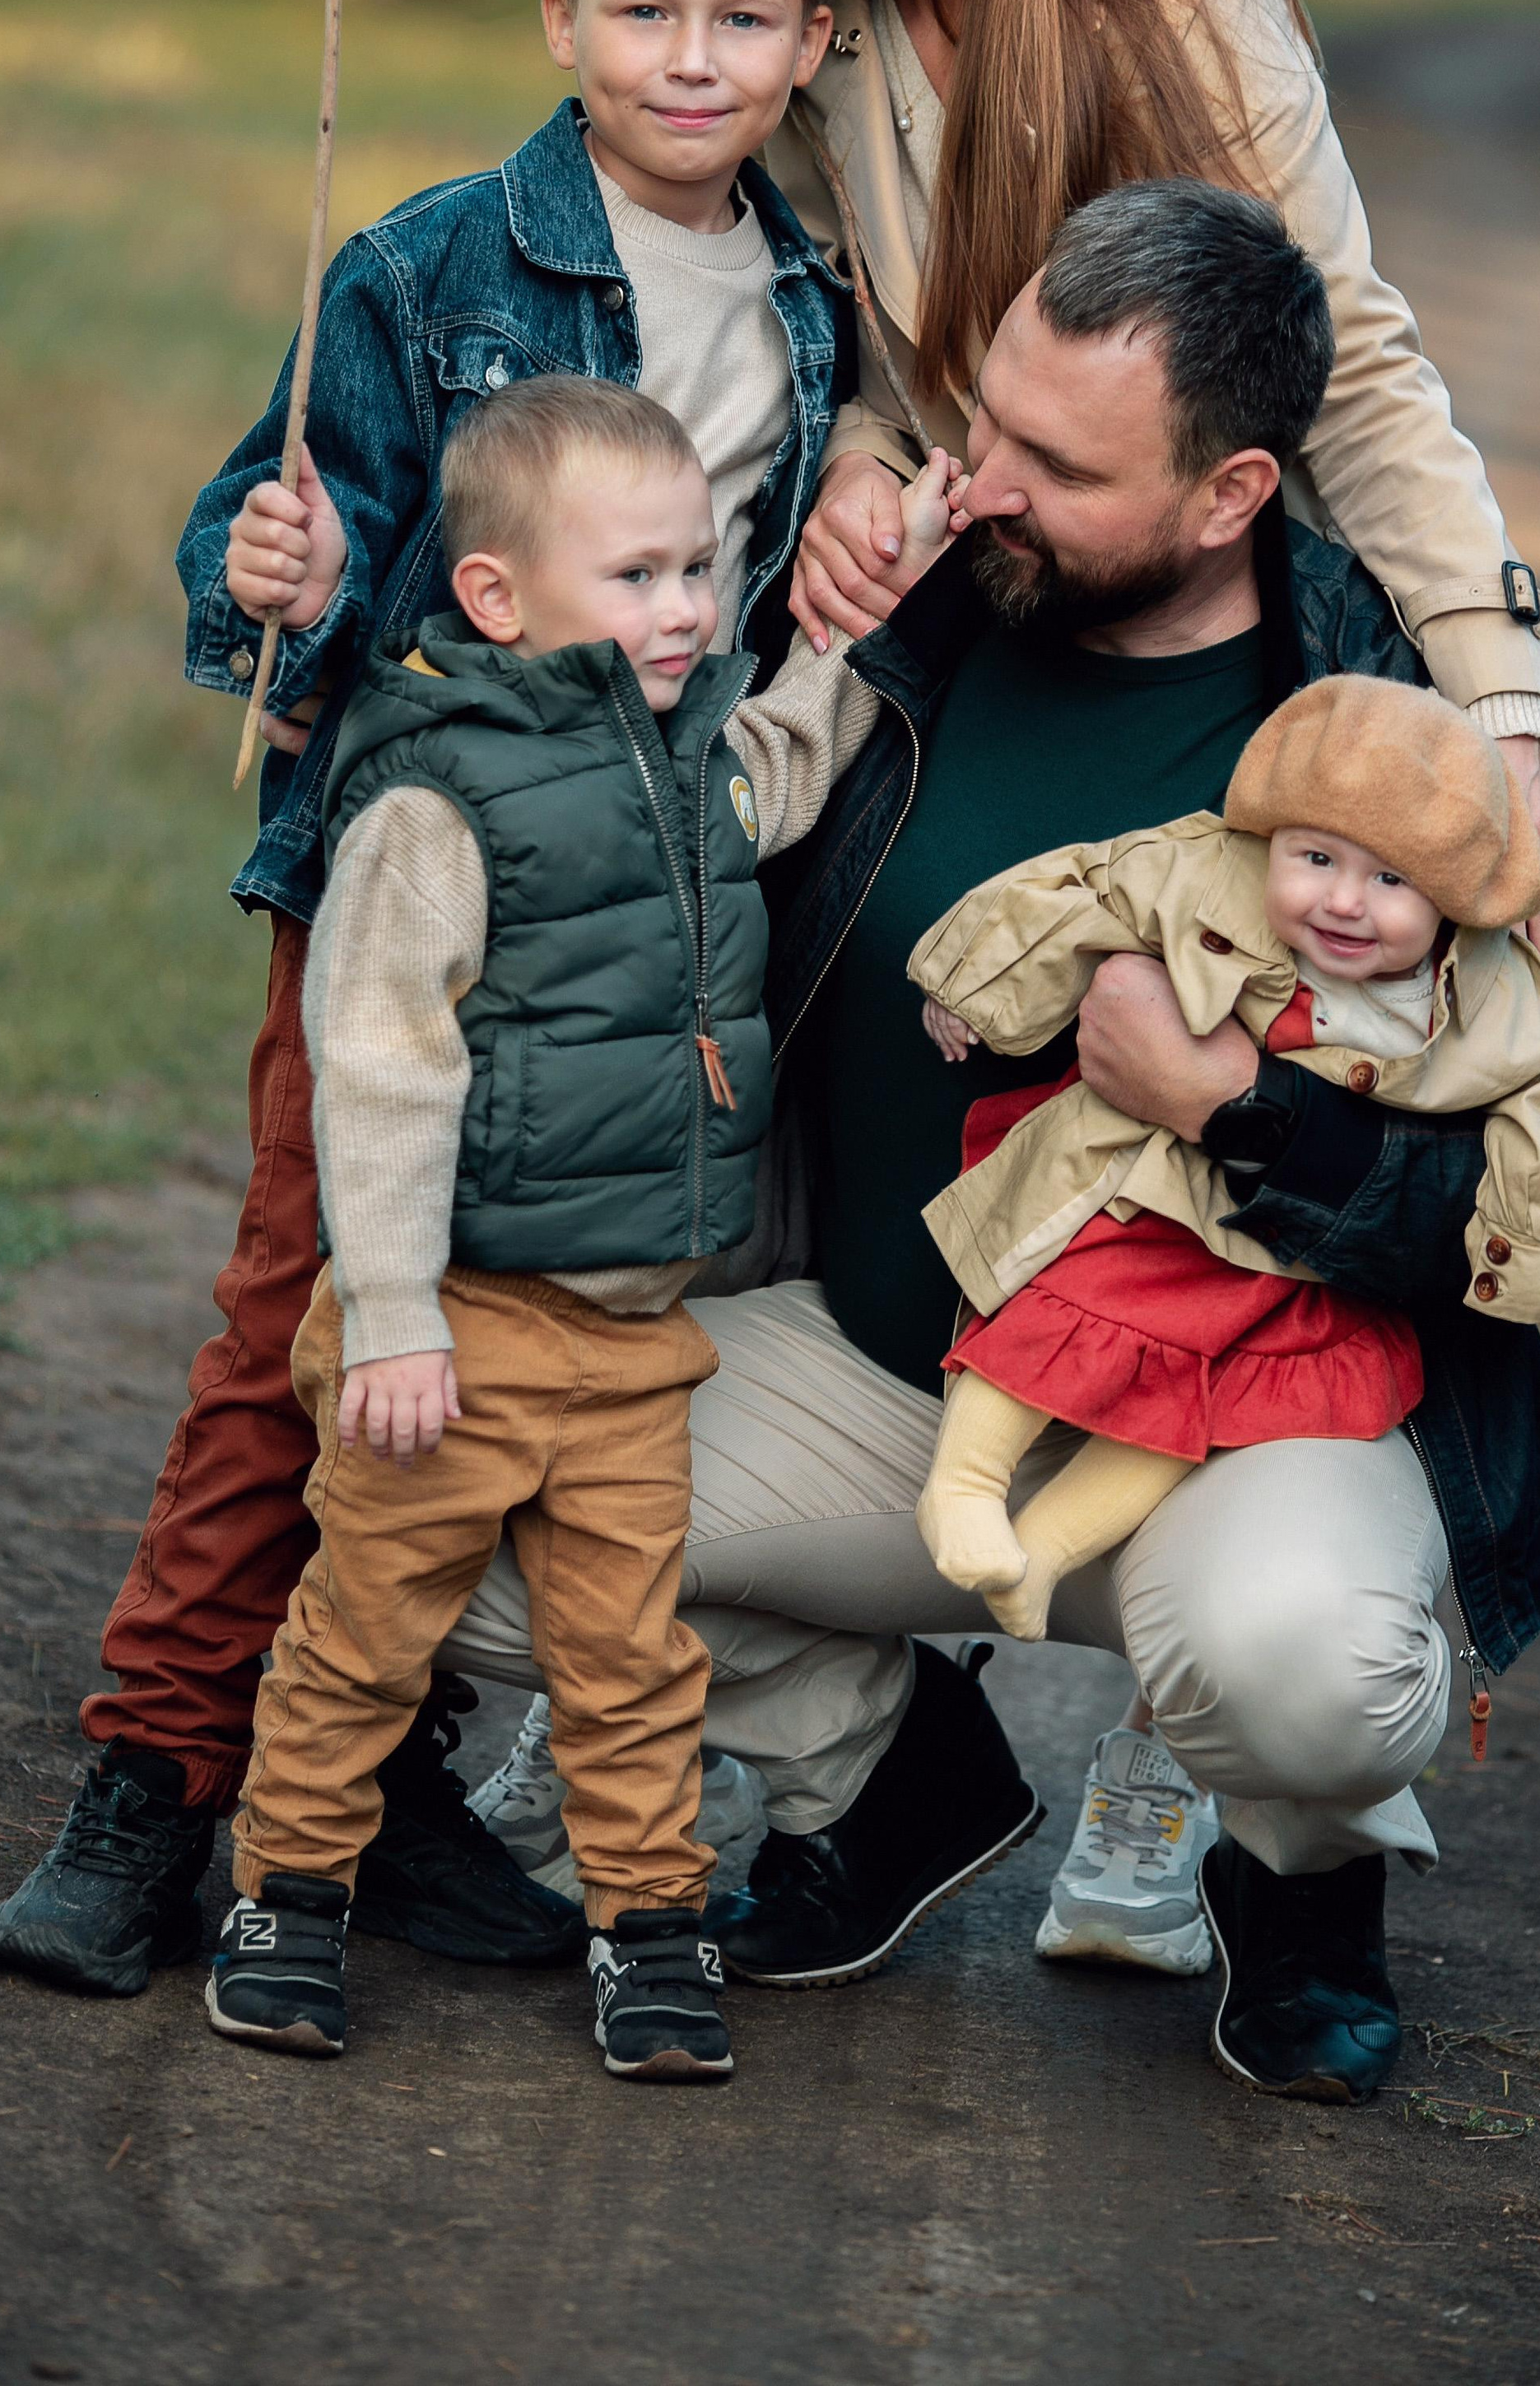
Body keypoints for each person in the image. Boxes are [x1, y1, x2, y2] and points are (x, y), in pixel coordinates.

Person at [661, 0, 1540, 1957]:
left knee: (1315, 1098)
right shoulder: (786, 18)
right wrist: (829, 474)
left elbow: (1351, 365)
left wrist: (1499, 706)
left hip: (1243, 597)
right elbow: (779, 327)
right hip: (975, 580)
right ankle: (899, 1715)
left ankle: (1234, 1729)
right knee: (916, 1081)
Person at [435, 178, 1540, 2104]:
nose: (978, 481)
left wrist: (1233, 1105)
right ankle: (891, 1769)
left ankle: (1297, 1878)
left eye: (1053, 463)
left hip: (1243, 1423)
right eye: (977, 421)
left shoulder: (1393, 736)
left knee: (1304, 1674)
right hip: (890, 1371)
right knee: (453, 1488)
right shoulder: (897, 606)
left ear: (1228, 491)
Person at [0, 0, 880, 1999]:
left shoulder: (810, 311)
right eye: (645, 12)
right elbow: (262, 532)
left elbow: (762, 611)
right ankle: (157, 1778)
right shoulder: (435, 261)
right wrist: (262, 579)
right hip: (422, 867)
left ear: (811, 44)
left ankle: (376, 1771)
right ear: (562, 20)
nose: (690, 57)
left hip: (647, 909)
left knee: (543, 1336)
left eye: (740, 19)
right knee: (310, 1316)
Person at [204, 376, 956, 2077]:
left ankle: (650, 1925)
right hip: (456, 1323)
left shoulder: (679, 752)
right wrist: (389, 1310)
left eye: (699, 569)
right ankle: (286, 1894)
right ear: (498, 598)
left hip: (629, 1337)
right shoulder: (431, 804)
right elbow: (381, 1066)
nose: (686, 608)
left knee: (625, 1658)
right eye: (636, 577)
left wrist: (871, 614)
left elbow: (776, 766)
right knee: (365, 1629)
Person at [910, 667, 1540, 1644]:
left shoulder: (1514, 1002)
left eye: (1391, 880)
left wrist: (1520, 1255)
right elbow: (1087, 890)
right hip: (1158, 1193)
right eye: (1316, 858)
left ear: (1456, 897)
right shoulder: (1212, 868)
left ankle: (1043, 1550)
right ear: (1273, 835)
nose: (1343, 901)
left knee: (1209, 1403)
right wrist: (976, 983)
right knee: (1067, 1308)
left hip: (1299, 1261)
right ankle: (963, 1486)